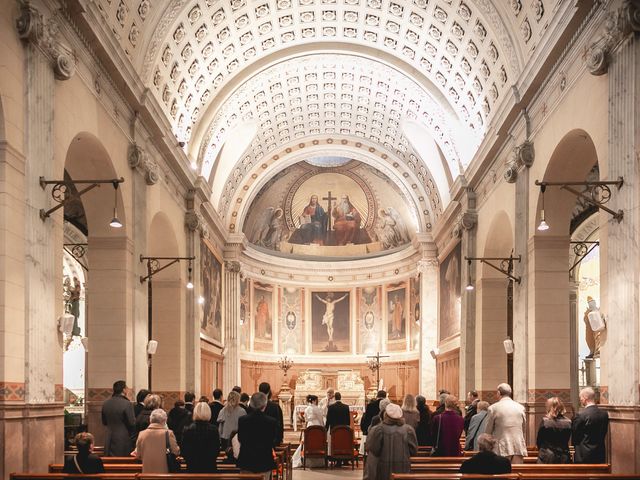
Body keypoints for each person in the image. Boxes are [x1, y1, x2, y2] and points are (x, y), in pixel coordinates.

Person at [366, 403, 418, 480]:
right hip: (403, 468)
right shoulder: (408, 430)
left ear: (386, 415)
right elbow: (413, 451)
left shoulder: (378, 429)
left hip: (383, 469)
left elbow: (373, 450)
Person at [237, 392, 277, 480]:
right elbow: (273, 441)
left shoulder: (242, 420)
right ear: (265, 405)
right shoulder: (271, 422)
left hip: (246, 460)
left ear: (250, 404)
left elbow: (240, 438)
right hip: (264, 461)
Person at [484, 383, 527, 464]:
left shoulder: (493, 408)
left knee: (502, 473)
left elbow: (487, 432)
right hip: (518, 446)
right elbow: (524, 428)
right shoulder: (520, 407)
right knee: (516, 473)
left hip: (501, 447)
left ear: (499, 393)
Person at [134, 408, 180, 473]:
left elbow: (138, 455)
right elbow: (176, 451)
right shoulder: (168, 433)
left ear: (150, 420)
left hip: (147, 473)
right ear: (164, 421)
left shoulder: (142, 434)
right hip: (164, 473)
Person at [572, 387, 609, 463]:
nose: (580, 400)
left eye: (581, 398)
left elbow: (575, 435)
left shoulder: (581, 415)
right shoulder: (604, 414)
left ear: (585, 398)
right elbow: (604, 432)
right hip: (600, 453)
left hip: (583, 455)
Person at [181, 402, 221, 473]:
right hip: (209, 467)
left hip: (192, 468)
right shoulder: (214, 429)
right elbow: (216, 451)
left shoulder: (187, 429)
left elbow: (184, 451)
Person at [101, 380, 135, 456]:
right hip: (123, 439)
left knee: (110, 464)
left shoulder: (106, 403)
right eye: (127, 388)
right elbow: (132, 423)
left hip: (108, 437)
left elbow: (104, 422)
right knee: (123, 464)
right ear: (124, 390)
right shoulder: (127, 404)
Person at [292, 394, 324, 468]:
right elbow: (320, 418)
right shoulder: (317, 408)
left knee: (307, 441)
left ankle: (304, 458)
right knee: (317, 441)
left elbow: (305, 419)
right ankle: (318, 461)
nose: (317, 401)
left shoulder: (306, 409)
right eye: (316, 400)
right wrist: (322, 426)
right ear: (314, 401)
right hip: (317, 425)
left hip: (309, 426)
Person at [537, 396, 572, 463]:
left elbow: (539, 440)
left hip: (546, 456)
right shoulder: (568, 422)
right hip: (564, 456)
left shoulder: (545, 421)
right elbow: (567, 439)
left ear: (549, 407)